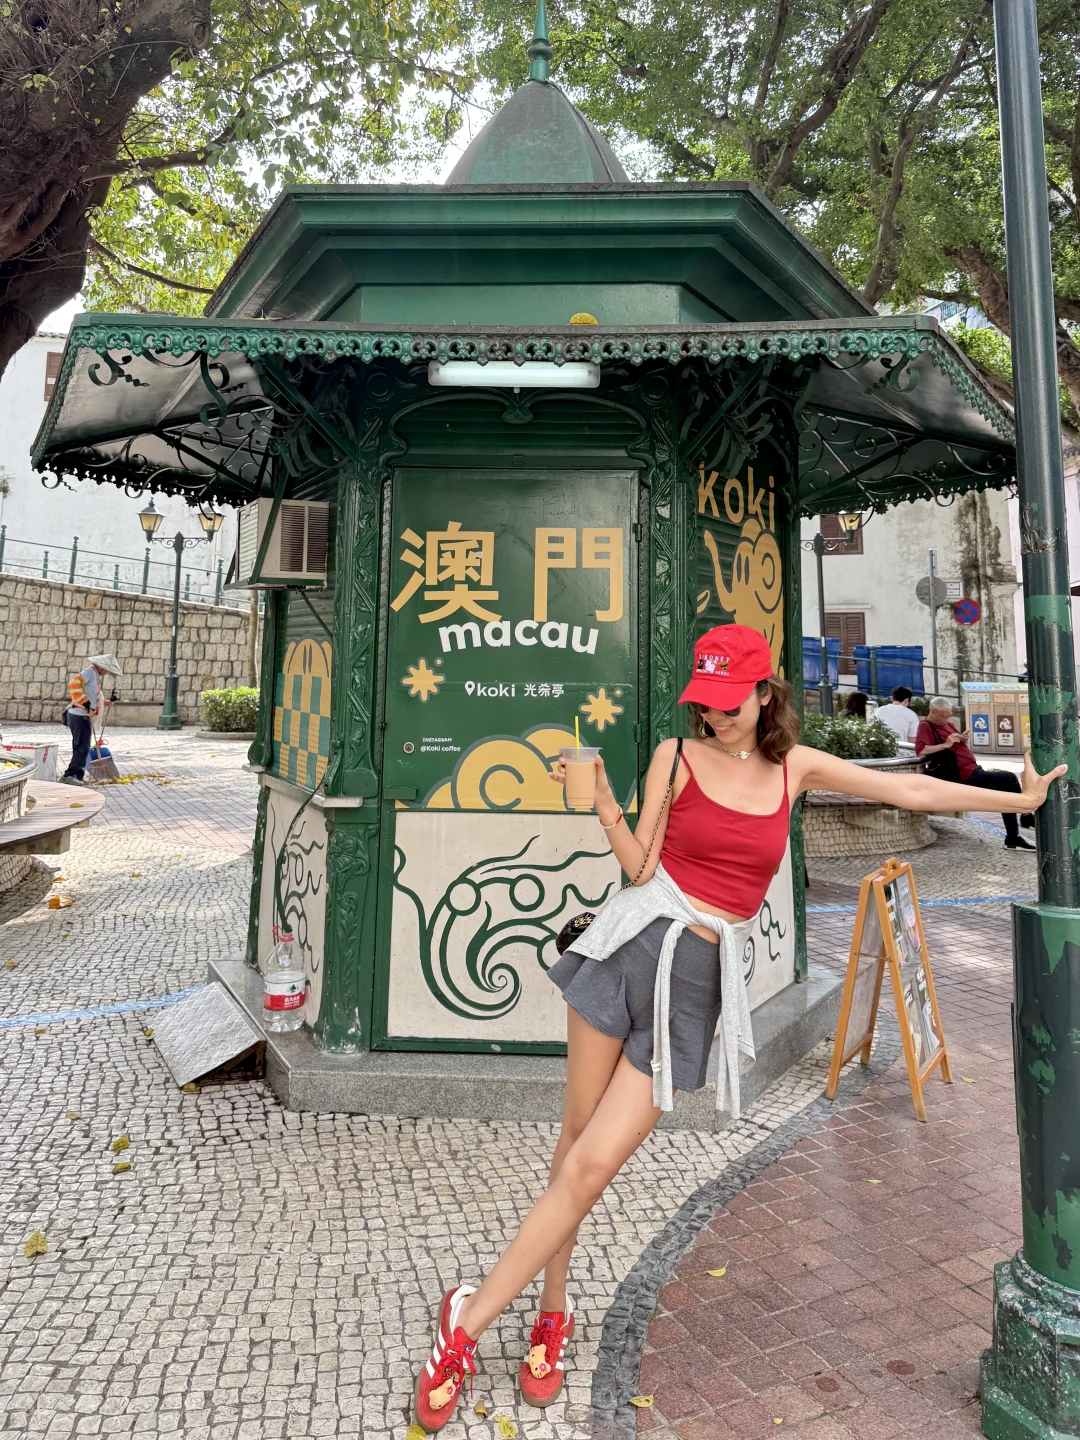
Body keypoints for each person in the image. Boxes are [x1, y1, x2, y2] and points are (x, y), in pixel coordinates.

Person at [410, 625, 1064, 1430]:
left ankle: (489, 1311)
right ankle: (507, 1321)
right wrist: (605, 802)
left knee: (596, 1164)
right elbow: (641, 868)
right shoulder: (675, 757)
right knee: (574, 1149)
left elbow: (913, 795)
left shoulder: (796, 768)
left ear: (764, 694)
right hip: (626, 951)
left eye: (729, 704)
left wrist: (1020, 801)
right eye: (706, 704)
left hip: (693, 984)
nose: (715, 718)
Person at [914, 695, 1034, 850]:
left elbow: (957, 744)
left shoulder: (948, 724)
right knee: (1009, 778)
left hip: (973, 768)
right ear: (933, 712)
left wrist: (963, 739)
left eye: (949, 715)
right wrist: (946, 744)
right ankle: (1025, 816)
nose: (947, 719)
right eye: (944, 716)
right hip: (961, 774)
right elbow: (921, 750)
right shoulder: (925, 726)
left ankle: (1013, 838)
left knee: (1006, 791)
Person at [61, 653, 123, 785]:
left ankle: (77, 775)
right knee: (81, 747)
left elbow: (93, 696)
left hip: (83, 715)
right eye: (106, 670)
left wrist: (105, 702)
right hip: (79, 715)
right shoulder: (89, 672)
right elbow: (73, 684)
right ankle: (70, 775)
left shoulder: (94, 676)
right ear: (101, 667)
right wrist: (85, 703)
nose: (107, 673)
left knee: (83, 747)